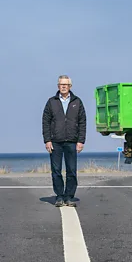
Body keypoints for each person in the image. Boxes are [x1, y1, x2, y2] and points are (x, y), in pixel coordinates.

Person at [42, 75, 87, 207]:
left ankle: (69, 196)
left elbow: (82, 122)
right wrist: (47, 140)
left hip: (72, 141)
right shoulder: (51, 102)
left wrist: (81, 141)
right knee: (56, 170)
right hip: (55, 142)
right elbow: (45, 122)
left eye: (66, 84)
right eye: (61, 84)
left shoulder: (77, 102)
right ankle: (59, 196)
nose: (63, 86)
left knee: (71, 170)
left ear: (70, 86)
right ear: (58, 86)